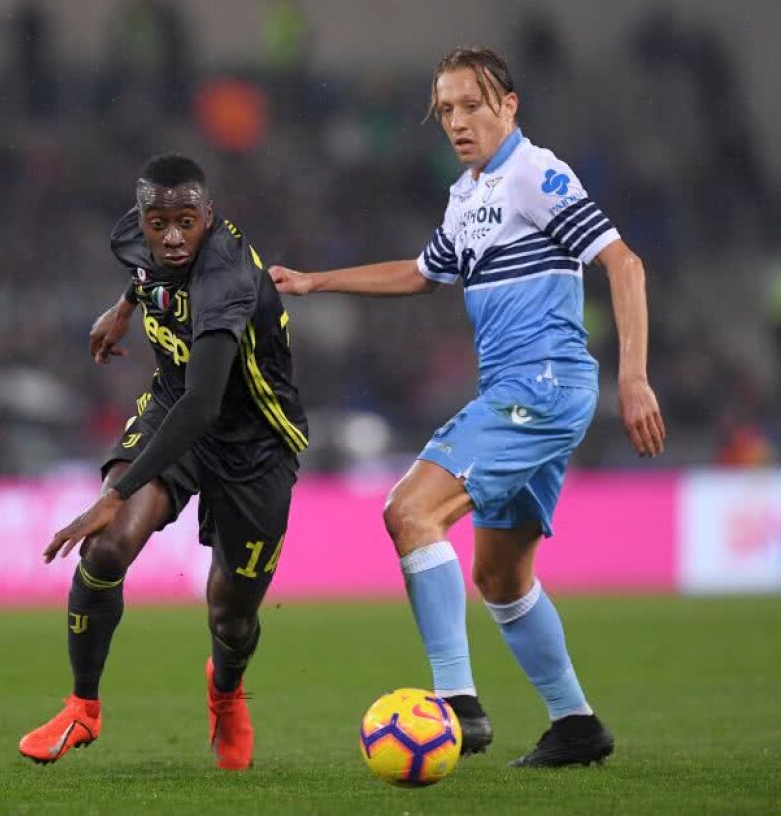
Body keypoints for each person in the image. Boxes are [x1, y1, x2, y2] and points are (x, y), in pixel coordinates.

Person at [270, 47, 665, 768]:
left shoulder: (536, 174)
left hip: (540, 387)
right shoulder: (468, 194)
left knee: (408, 511)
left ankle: (455, 704)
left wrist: (633, 378)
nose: (456, 121)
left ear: (508, 105)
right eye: (445, 109)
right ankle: (576, 724)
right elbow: (423, 275)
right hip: (525, 395)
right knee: (502, 579)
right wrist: (316, 281)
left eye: (471, 105)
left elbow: (624, 263)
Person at [18, 154, 308, 771]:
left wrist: (112, 494)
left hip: (254, 440)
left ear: (209, 215)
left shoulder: (224, 278)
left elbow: (206, 405)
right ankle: (82, 707)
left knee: (231, 616)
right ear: (143, 217)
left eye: (185, 222)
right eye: (159, 222)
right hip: (170, 405)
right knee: (105, 549)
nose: (171, 237)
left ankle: (226, 692)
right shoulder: (140, 235)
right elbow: (144, 270)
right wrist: (123, 307)